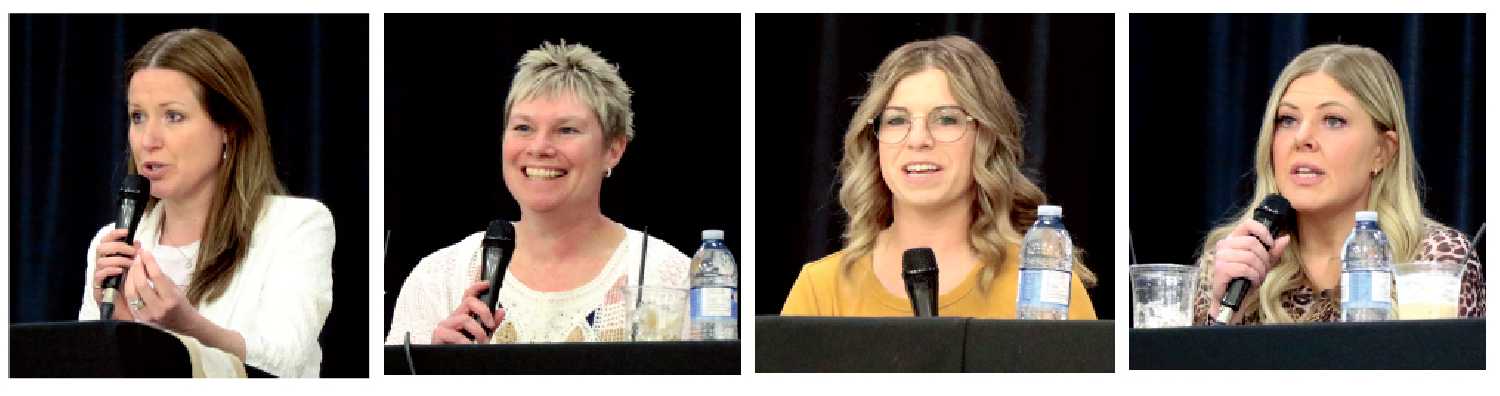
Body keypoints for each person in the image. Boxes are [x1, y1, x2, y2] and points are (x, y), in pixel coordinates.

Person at [386, 41, 690, 344]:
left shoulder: (668, 276)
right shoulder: (438, 279)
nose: (539, 148)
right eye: (523, 128)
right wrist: (433, 370)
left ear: (613, 149)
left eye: (566, 130)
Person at [79, 28, 336, 377]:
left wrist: (187, 327)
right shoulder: (113, 241)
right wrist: (118, 329)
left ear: (227, 127)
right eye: (138, 116)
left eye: (173, 116)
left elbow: (286, 362)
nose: (148, 140)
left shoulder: (295, 226)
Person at [780, 35, 1097, 318]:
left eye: (946, 119)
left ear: (985, 137)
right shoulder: (821, 289)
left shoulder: (1046, 287)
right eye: (896, 120)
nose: (918, 139)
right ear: (874, 141)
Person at [1193, 44, 1485, 325]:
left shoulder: (1435, 262)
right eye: (1287, 120)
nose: (1302, 137)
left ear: (1382, 151)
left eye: (1333, 120)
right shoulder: (1230, 263)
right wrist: (1225, 313)